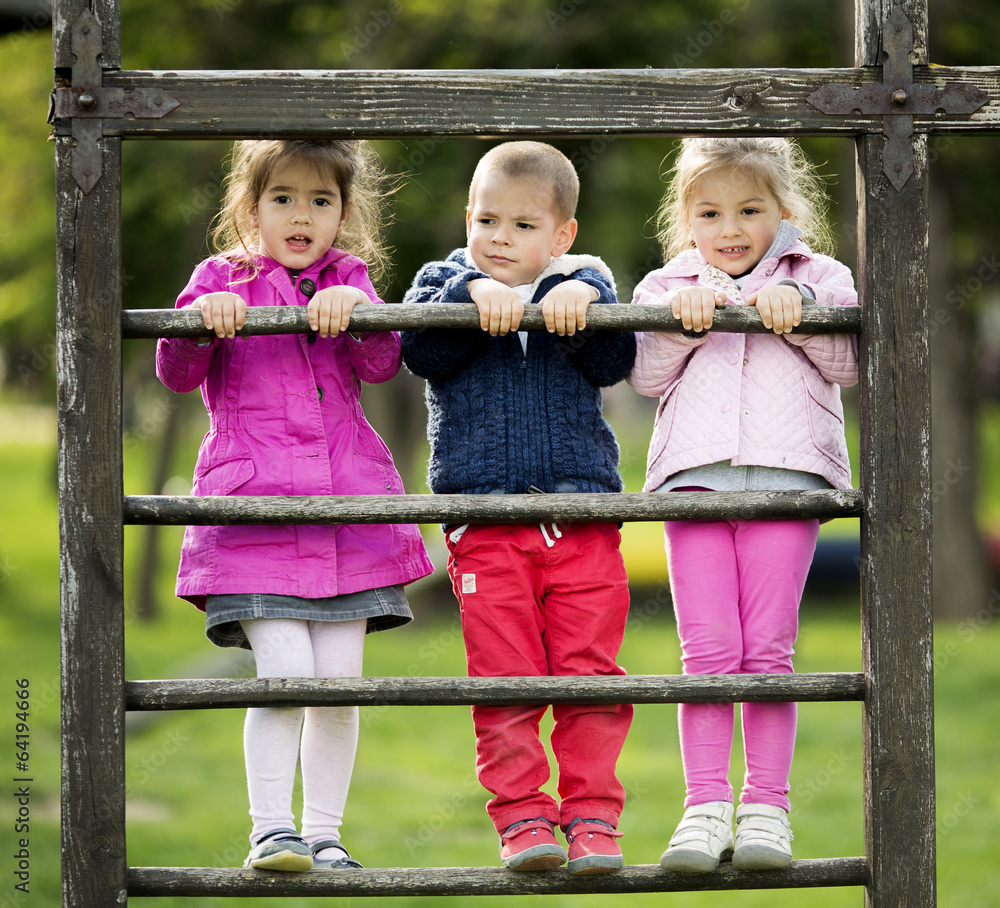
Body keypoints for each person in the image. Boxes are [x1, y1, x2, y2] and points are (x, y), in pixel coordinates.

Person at [156, 138, 434, 873]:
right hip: (255, 514)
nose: (301, 215)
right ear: (251, 208)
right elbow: (178, 376)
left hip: (347, 515)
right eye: (283, 199)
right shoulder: (223, 278)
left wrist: (363, 312)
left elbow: (381, 362)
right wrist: (199, 319)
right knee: (284, 676)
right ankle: (271, 830)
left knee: (338, 689)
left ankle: (325, 832)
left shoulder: (351, 277)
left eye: (321, 200)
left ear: (345, 212)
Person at [401, 141, 637, 875]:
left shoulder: (585, 279)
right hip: (488, 526)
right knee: (503, 679)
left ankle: (594, 819)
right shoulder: (444, 279)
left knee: (589, 676)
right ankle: (523, 819)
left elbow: (614, 363)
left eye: (523, 226)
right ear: (467, 217)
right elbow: (417, 352)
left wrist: (586, 305)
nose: (500, 238)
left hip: (582, 522)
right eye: (487, 220)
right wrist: (468, 297)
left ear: (561, 235)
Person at [629, 137, 859, 873]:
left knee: (767, 651)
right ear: (686, 220)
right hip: (693, 482)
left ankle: (767, 808)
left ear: (785, 212)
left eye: (749, 210)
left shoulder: (821, 275)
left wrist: (799, 310)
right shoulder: (668, 282)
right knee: (707, 653)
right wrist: (684, 319)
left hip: (787, 482)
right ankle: (702, 809)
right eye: (710, 212)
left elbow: (850, 364)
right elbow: (643, 373)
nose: (729, 228)